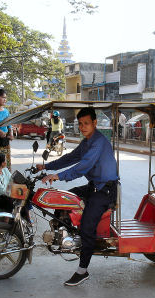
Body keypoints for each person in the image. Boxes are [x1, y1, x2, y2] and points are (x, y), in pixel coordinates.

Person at [36, 107, 118, 286]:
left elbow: (83, 167)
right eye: (80, 124)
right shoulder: (87, 142)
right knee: (65, 196)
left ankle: (83, 271)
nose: (82, 127)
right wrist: (47, 167)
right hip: (93, 187)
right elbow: (70, 158)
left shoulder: (98, 143)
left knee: (87, 227)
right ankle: (64, 231)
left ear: (95, 123)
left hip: (105, 191)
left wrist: (58, 176)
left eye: (86, 123)